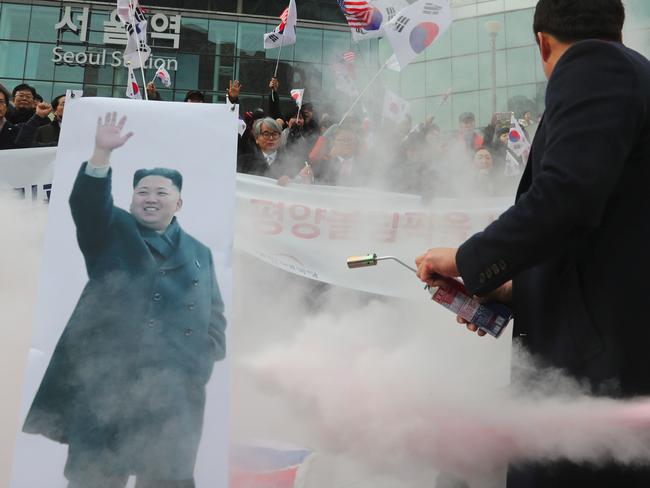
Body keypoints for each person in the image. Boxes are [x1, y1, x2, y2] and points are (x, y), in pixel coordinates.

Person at [415, 0, 650, 486]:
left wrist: (468, 259)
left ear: (542, 42)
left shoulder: (593, 65)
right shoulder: (632, 73)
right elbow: (608, 238)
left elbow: (566, 195)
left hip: (595, 375)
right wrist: (511, 290)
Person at [23, 112, 227, 488]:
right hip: (107, 386)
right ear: (131, 198)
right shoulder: (110, 229)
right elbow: (87, 204)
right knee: (96, 477)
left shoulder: (201, 252)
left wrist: (202, 355)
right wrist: (102, 152)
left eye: (161, 192)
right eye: (142, 192)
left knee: (167, 478)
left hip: (173, 392)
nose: (150, 199)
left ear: (178, 203)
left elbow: (215, 316)